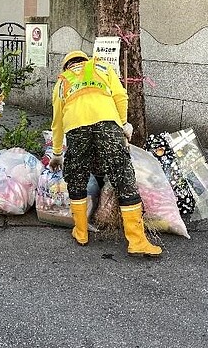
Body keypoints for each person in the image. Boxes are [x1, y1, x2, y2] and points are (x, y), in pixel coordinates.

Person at [49, 50, 162, 257]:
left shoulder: (62, 81)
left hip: (76, 127)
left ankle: (81, 232)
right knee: (122, 176)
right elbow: (120, 96)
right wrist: (124, 123)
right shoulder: (101, 67)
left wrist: (57, 153)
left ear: (67, 65)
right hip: (107, 123)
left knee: (76, 177)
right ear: (85, 60)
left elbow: (57, 123)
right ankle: (137, 241)